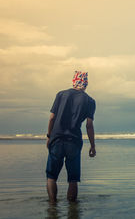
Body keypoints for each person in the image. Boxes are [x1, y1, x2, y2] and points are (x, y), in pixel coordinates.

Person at [45, 71, 96, 203]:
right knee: (73, 179)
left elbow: (52, 118)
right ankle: (73, 209)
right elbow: (89, 125)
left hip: (56, 139)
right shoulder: (90, 101)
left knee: (51, 176)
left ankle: (52, 206)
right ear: (86, 84)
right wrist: (92, 146)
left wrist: (48, 137)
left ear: (74, 81)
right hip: (74, 141)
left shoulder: (61, 95)